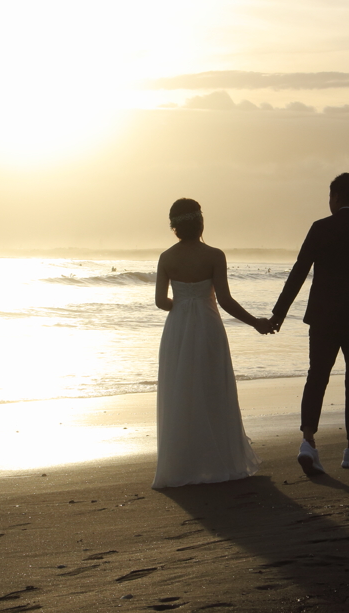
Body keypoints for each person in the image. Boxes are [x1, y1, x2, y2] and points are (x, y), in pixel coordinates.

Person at [270, 173, 349, 476]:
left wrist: (279, 313)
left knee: (317, 376)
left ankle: (308, 442)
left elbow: (299, 272)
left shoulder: (320, 228)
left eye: (330, 197)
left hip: (323, 317)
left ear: (337, 197)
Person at [152, 198, 271, 488]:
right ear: (200, 223)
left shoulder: (166, 258)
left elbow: (159, 301)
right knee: (212, 388)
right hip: (208, 325)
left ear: (174, 227)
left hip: (177, 329)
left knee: (180, 391)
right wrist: (256, 322)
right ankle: (219, 461)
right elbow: (226, 300)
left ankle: (182, 465)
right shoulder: (215, 255)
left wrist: (182, 305)